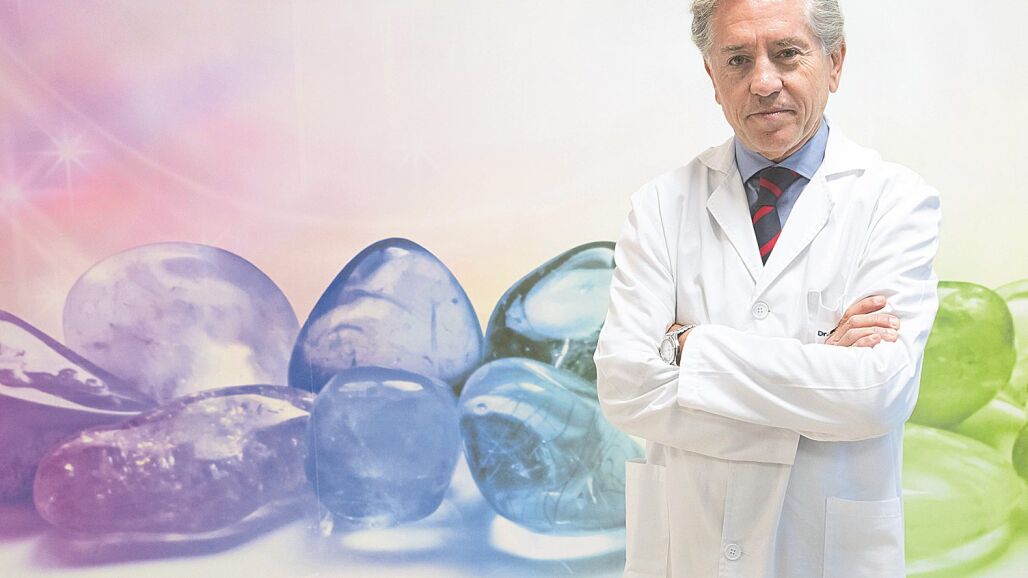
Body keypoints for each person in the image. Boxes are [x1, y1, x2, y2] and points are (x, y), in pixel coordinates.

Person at [592, 0, 942, 576]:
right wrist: (818, 378)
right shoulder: (659, 205)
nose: (762, 82)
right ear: (712, 76)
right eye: (736, 59)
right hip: (690, 553)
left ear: (834, 62)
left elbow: (875, 393)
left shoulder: (896, 201)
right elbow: (625, 386)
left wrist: (688, 347)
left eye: (787, 53)